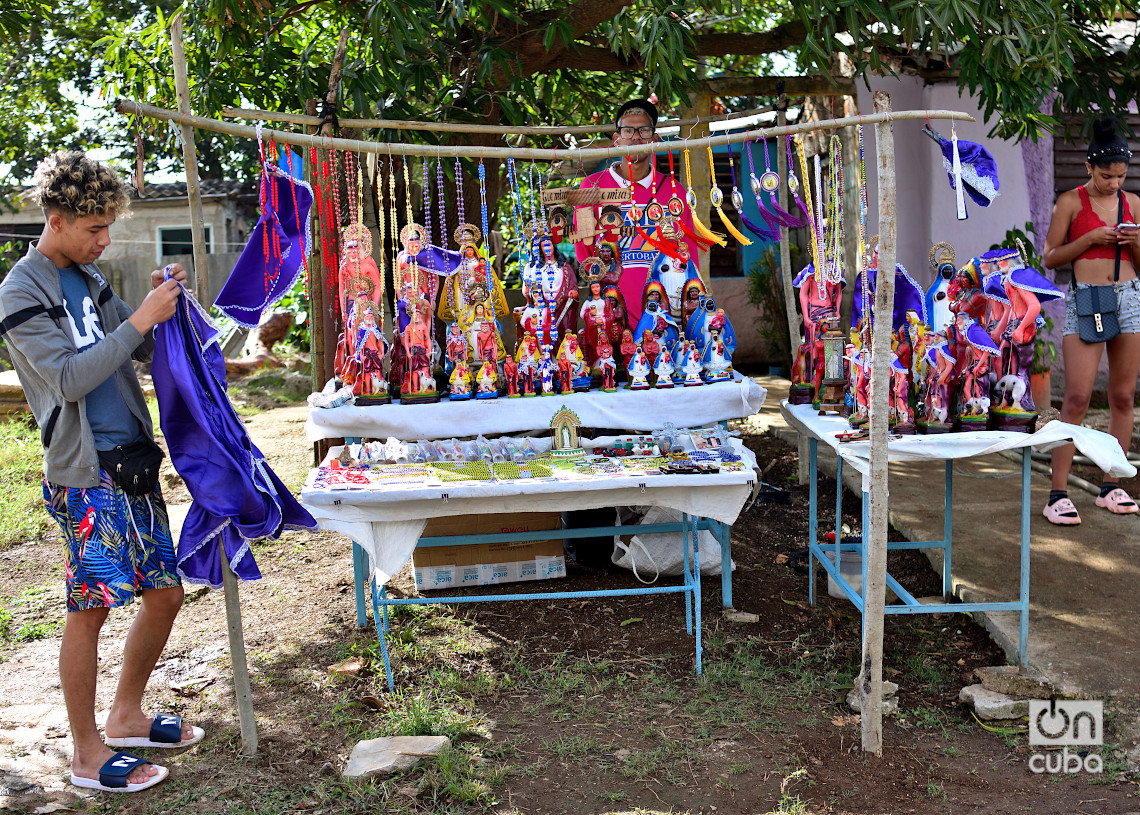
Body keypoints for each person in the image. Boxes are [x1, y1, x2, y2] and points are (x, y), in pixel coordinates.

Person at [0, 151, 202, 792]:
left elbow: (136, 347)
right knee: (90, 610)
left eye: (109, 226)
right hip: (85, 475)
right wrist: (139, 317)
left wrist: (158, 302)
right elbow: (64, 378)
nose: (104, 239)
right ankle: (86, 754)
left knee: (164, 593)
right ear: (55, 220)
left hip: (133, 462)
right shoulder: (20, 289)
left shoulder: (91, 279)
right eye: (94, 228)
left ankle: (125, 715)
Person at [1041, 117, 1140, 524]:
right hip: (1087, 298)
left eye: (1120, 175)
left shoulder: (1133, 204)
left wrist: (1138, 242)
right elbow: (1050, 257)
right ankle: (1057, 493)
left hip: (1129, 298)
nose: (1114, 183)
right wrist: (1088, 241)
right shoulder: (1070, 201)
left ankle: (1111, 486)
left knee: (1122, 397)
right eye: (1106, 175)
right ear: (1088, 167)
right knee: (1078, 398)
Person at [573, 99, 701, 326]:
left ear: (655, 139)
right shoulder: (590, 187)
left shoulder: (674, 191)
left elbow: (688, 252)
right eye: (627, 130)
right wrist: (601, 296)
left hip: (665, 314)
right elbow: (584, 248)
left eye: (643, 130)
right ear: (616, 139)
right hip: (612, 311)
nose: (635, 137)